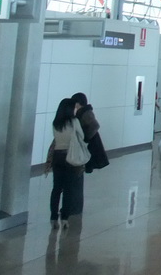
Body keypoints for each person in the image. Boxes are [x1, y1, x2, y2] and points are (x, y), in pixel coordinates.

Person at [49, 98, 85, 229]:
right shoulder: (74, 122)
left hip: (57, 156)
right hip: (70, 157)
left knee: (56, 188)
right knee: (68, 189)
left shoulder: (55, 123)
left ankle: (53, 217)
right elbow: (81, 136)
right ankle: (64, 218)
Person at [69, 92, 104, 216]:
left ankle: (75, 208)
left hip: (89, 146)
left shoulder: (85, 113)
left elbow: (94, 126)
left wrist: (85, 139)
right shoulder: (83, 112)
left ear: (79, 103)